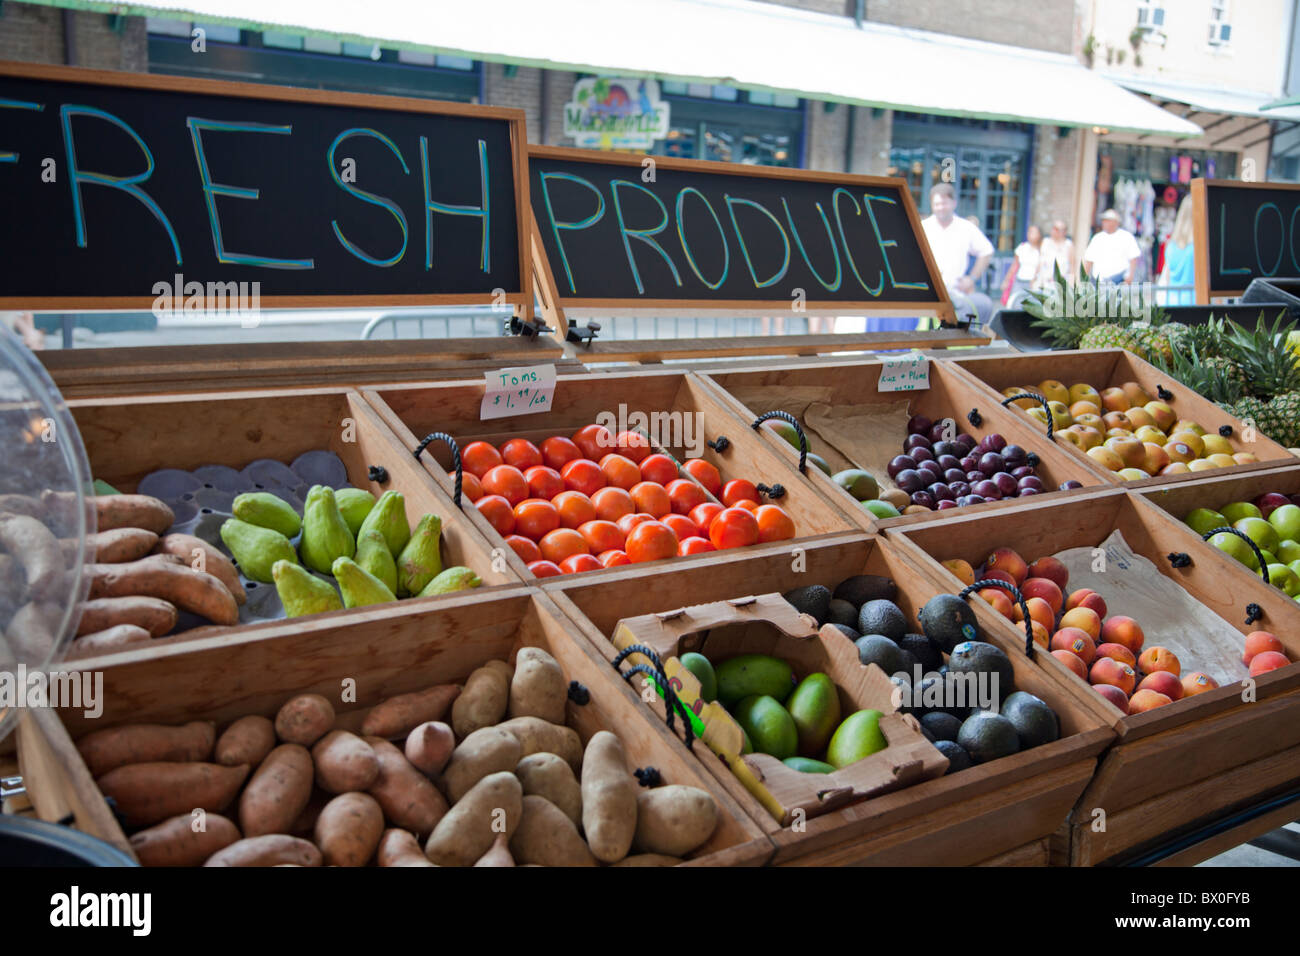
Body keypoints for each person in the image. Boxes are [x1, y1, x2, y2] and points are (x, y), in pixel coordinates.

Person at [920, 183, 994, 325]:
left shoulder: (965, 227)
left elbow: (986, 251)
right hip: (927, 295)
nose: (940, 207)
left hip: (956, 296)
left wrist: (971, 278)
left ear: (954, 203)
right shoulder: (924, 227)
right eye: (937, 204)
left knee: (954, 338)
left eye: (944, 203)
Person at [1083, 209, 1140, 285]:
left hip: (1119, 280)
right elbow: (1089, 260)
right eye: (1104, 221)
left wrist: (1130, 276)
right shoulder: (1097, 238)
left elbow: (1133, 258)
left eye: (1107, 221)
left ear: (1115, 222)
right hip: (1099, 280)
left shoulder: (1126, 237)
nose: (1104, 223)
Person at [1158, 196, 1195, 306]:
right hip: (1195, 304)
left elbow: (1168, 277)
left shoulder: (1171, 245)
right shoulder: (1198, 247)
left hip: (1171, 303)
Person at [1002, 224, 1042, 308]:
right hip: (1020, 280)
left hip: (1033, 283)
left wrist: (1035, 279)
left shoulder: (1041, 250)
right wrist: (1006, 280)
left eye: (1034, 232)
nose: (1030, 235)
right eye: (1029, 232)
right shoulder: (1022, 247)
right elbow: (1014, 265)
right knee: (1016, 304)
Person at [1036, 220, 1076, 289]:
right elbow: (1040, 262)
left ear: (1064, 232)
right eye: (1053, 228)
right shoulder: (1045, 242)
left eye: (1057, 229)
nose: (1054, 231)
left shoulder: (1068, 245)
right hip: (1044, 282)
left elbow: (1072, 266)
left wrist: (1071, 284)